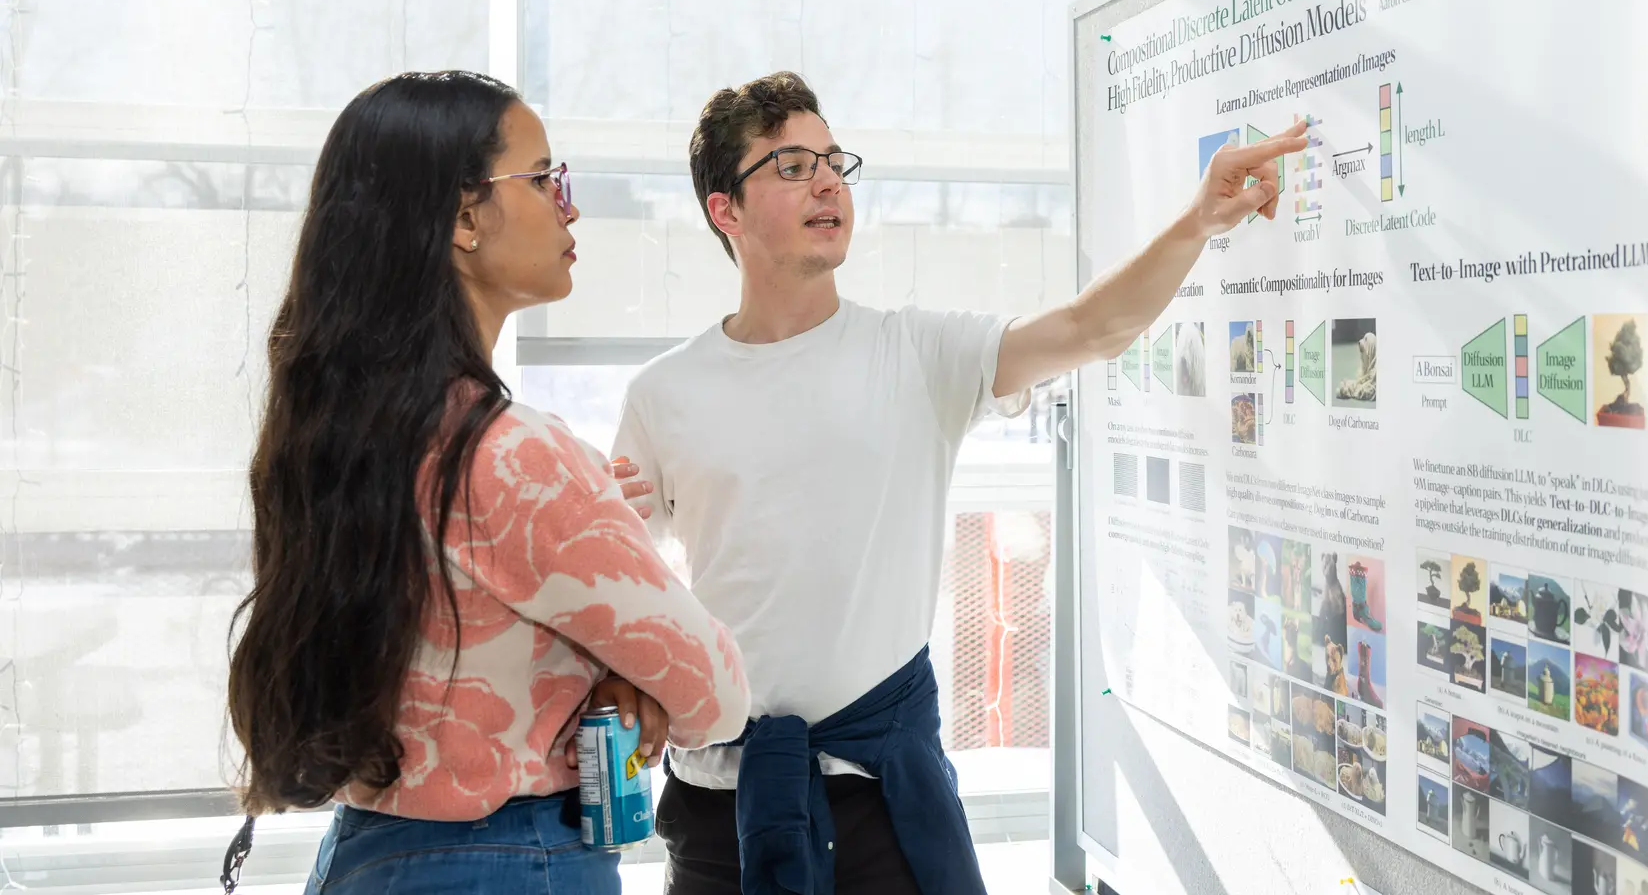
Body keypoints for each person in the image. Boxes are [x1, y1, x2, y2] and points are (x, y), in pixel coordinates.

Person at [611, 70, 1305, 895]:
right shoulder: (663, 393)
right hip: (721, 805)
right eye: (792, 165)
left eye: (835, 161)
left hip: (883, 801)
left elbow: (1092, 327)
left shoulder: (915, 353)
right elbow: (627, 600)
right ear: (724, 210)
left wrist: (1200, 221)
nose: (829, 180)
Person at [222, 71, 751, 895]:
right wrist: (616, 648)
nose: (568, 206)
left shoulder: (340, 436)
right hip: (507, 863)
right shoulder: (514, 457)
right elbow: (716, 690)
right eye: (544, 179)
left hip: (369, 855)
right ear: (464, 216)